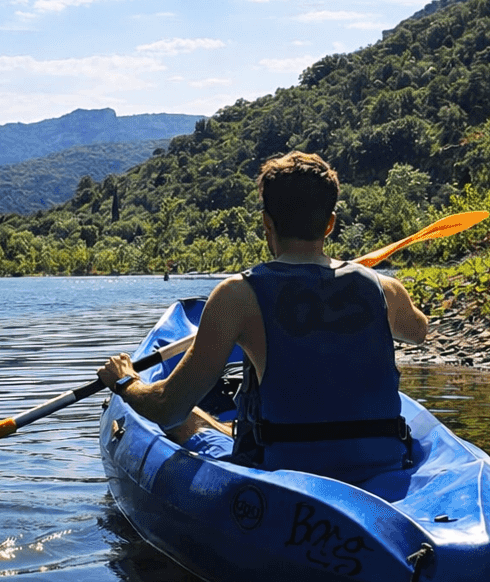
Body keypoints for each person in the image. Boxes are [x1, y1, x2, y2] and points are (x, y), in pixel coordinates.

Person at [98, 151, 429, 485]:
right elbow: (419, 331)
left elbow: (169, 407)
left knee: (185, 421)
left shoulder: (237, 296)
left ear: (266, 223)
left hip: (283, 481)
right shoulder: (385, 289)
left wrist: (127, 383)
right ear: (330, 223)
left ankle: (229, 430)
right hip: (382, 466)